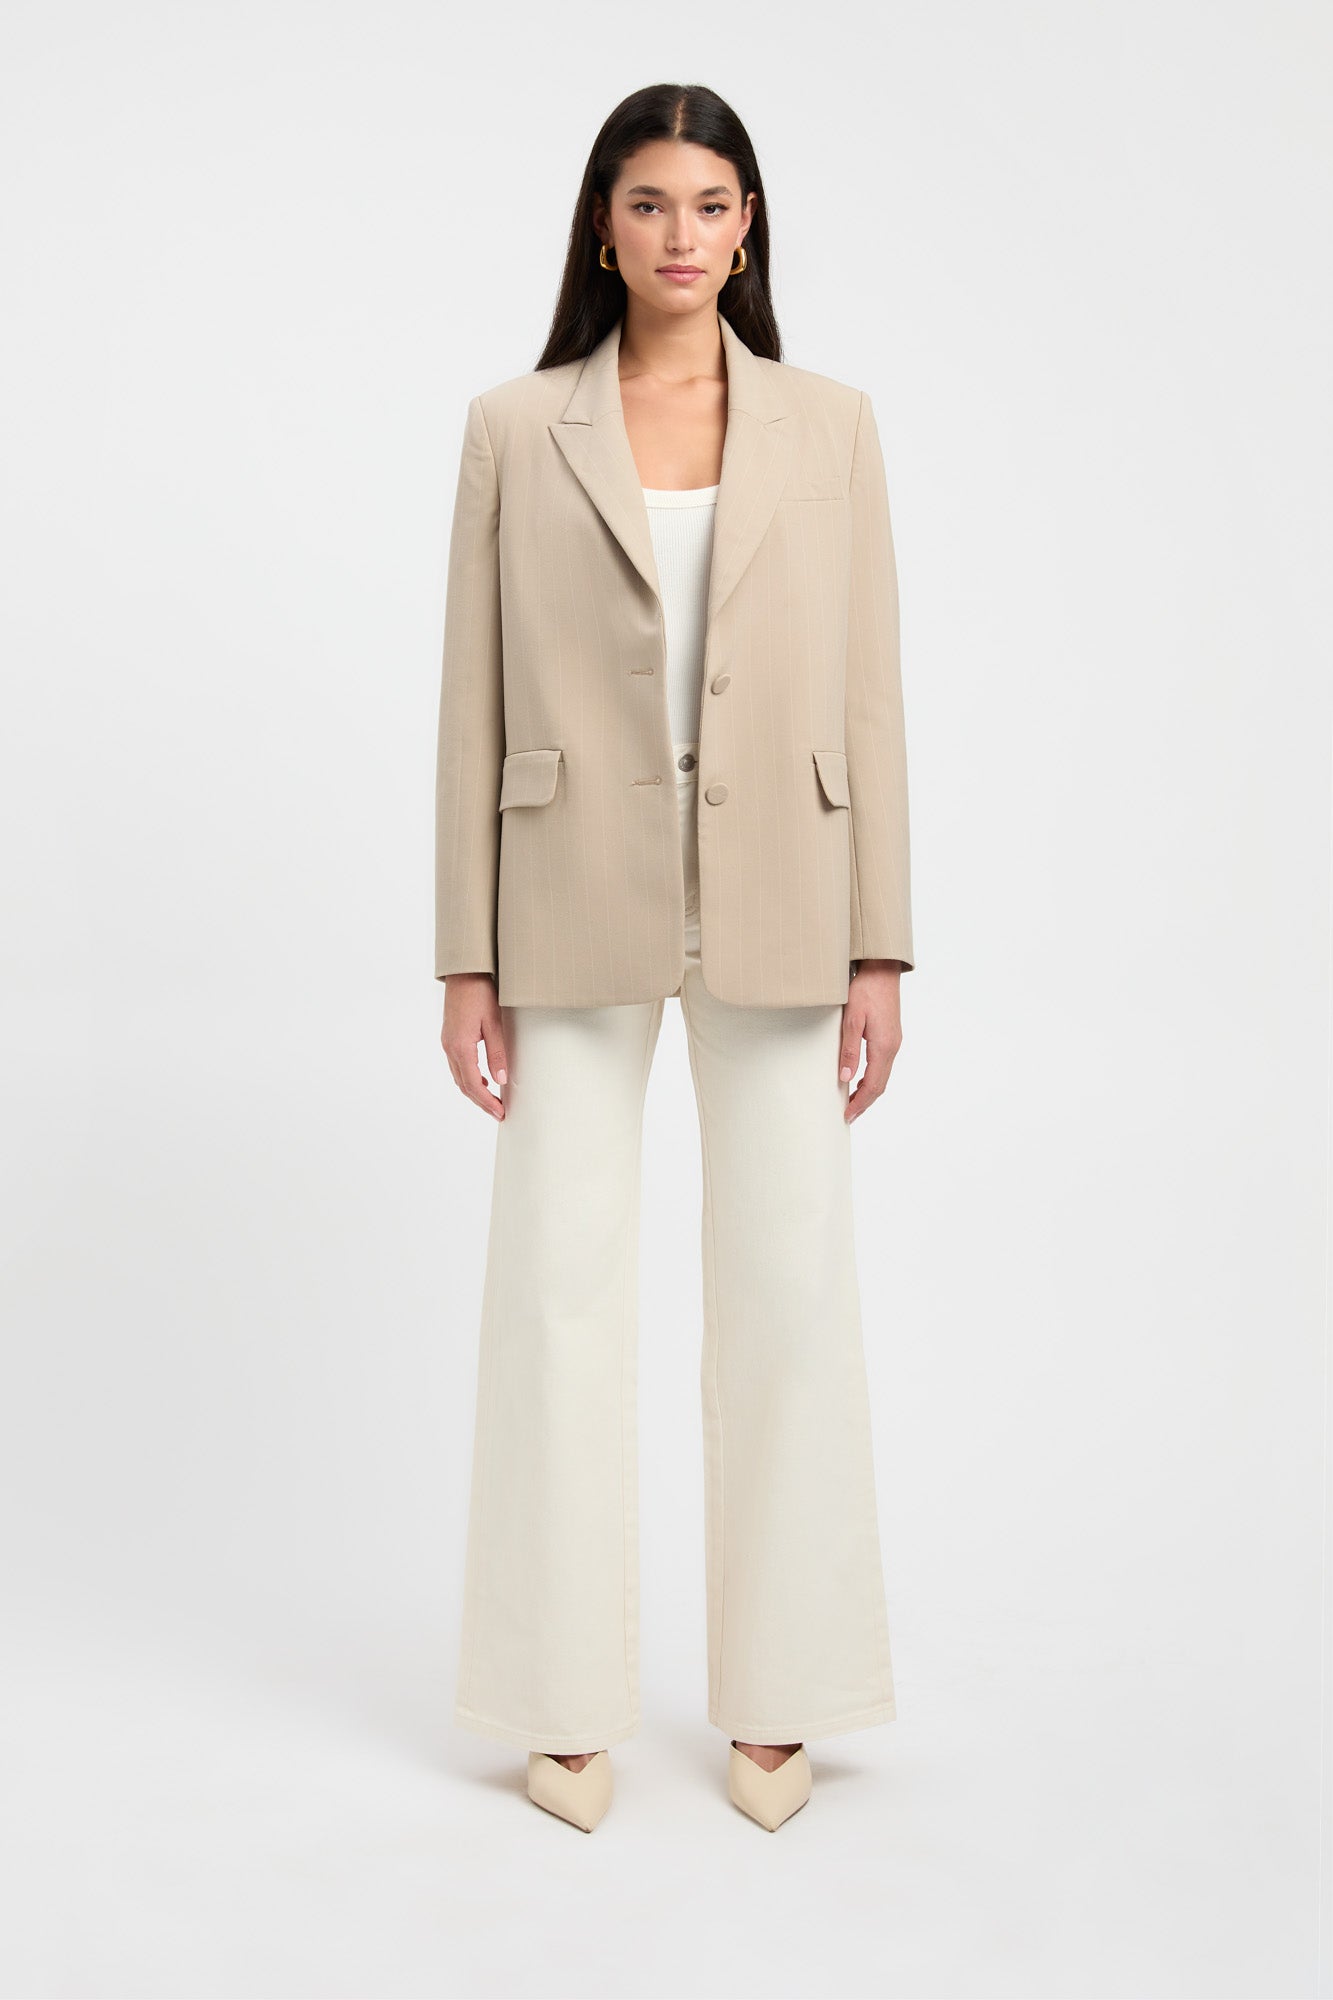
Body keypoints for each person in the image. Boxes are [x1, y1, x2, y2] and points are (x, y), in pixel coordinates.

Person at [434, 82, 914, 1834]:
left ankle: (782, 1696)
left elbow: (869, 689)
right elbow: (470, 700)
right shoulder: (514, 428)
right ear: (601, 226)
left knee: (788, 1289)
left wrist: (880, 944)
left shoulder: (830, 426)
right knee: (555, 1294)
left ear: (748, 223)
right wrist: (462, 957)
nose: (681, 235)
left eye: (712, 204)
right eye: (648, 204)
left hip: (784, 887)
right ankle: (559, 1701)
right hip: (569, 894)